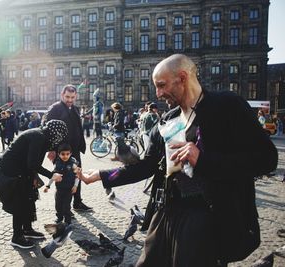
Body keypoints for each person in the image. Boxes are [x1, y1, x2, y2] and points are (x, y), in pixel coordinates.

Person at [78, 54, 278, 267]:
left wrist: (203, 160)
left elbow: (267, 159)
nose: (158, 93)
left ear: (182, 78)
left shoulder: (227, 106)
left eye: (162, 85)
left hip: (206, 219)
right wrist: (101, 175)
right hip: (166, 213)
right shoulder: (168, 119)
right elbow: (147, 166)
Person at [0, 120, 67, 249]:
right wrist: (51, 175)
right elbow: (33, 164)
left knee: (28, 198)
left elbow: (32, 162)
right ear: (56, 133)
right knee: (19, 202)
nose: (59, 140)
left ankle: (27, 229)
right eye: (60, 136)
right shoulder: (38, 137)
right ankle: (17, 236)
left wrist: (33, 176)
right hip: (12, 171)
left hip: (21, 170)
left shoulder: (41, 135)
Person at [45, 84, 92, 211]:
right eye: (67, 97)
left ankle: (77, 202)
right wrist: (51, 149)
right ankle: (63, 209)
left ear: (75, 96)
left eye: (72, 97)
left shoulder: (75, 109)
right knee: (63, 181)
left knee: (77, 175)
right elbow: (47, 129)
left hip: (75, 150)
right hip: (62, 152)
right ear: (62, 95)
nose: (69, 100)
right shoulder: (55, 108)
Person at [44, 143, 80, 225]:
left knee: (66, 206)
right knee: (58, 205)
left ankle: (68, 221)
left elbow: (77, 176)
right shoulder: (57, 164)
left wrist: (75, 186)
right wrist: (48, 186)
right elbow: (53, 176)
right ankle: (59, 218)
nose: (65, 156)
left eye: (67, 154)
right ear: (58, 154)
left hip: (69, 189)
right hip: (59, 189)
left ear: (70, 154)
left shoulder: (73, 164)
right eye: (63, 154)